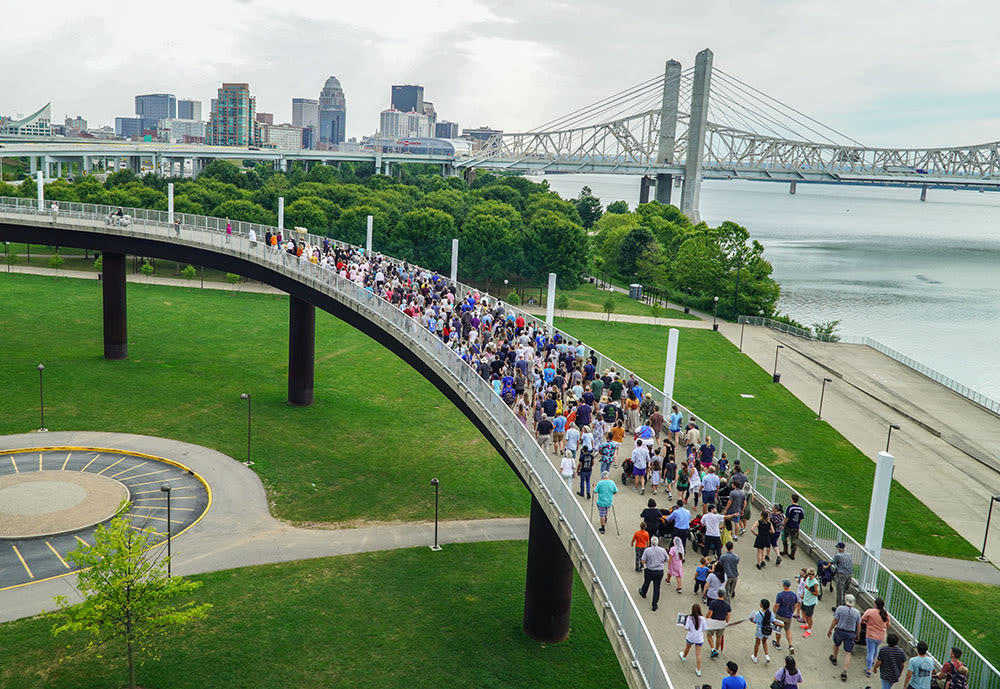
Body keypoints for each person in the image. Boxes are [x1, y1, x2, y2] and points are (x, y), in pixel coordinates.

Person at [828, 592, 861, 682]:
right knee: (848, 652)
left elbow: (835, 621)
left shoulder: (840, 609)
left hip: (840, 630)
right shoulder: (857, 612)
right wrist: (858, 635)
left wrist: (830, 629)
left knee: (836, 644)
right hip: (850, 633)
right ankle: (845, 671)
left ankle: (834, 658)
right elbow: (858, 625)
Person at [861, 598, 892, 678]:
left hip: (871, 635)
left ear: (875, 604)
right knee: (875, 648)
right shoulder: (885, 614)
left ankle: (868, 670)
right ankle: (871, 662)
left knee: (870, 651)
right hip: (881, 636)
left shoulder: (870, 611)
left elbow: (863, 619)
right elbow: (888, 625)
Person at [638, 535, 667, 610]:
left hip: (650, 569)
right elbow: (666, 560)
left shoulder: (647, 550)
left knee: (646, 582)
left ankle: (643, 592)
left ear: (651, 542)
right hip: (659, 571)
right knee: (656, 587)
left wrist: (646, 563)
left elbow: (643, 560)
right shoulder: (663, 550)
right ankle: (654, 604)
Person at [679, 603, 706, 677]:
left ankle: (684, 656)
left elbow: (686, 628)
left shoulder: (689, 618)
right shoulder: (702, 619)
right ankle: (698, 670)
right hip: (699, 638)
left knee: (687, 648)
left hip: (691, 637)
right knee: (698, 654)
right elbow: (704, 628)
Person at [773, 578, 798, 654]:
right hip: (788, 616)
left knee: (778, 630)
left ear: (784, 585)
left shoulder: (780, 595)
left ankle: (778, 643)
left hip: (780, 615)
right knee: (787, 630)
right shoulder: (794, 595)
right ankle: (790, 645)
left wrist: (773, 613)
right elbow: (795, 605)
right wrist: (792, 612)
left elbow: (776, 605)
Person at [706, 588, 731, 658]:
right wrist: (726, 622)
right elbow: (728, 616)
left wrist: (706, 619)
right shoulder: (727, 605)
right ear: (724, 595)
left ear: (718, 594)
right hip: (722, 622)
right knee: (719, 636)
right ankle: (717, 650)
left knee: (709, 635)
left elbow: (709, 614)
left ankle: (713, 649)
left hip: (713, 621)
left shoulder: (713, 603)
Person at [750, 598, 774, 664]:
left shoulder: (758, 613)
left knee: (757, 643)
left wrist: (751, 619)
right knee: (764, 642)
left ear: (762, 605)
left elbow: (755, 621)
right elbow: (773, 620)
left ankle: (755, 657)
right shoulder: (771, 613)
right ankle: (767, 656)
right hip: (767, 629)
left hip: (760, 629)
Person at [782, 493, 805, 560]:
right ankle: (792, 554)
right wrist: (797, 524)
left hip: (788, 526)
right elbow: (801, 519)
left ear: (792, 499)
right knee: (794, 541)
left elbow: (787, 517)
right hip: (796, 527)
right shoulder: (801, 509)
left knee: (784, 537)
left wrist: (783, 524)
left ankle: (785, 550)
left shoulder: (790, 507)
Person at [832, 542, 853, 609]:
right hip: (849, 574)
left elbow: (832, 562)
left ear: (839, 548)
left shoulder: (838, 556)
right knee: (845, 591)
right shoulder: (849, 555)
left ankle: (839, 607)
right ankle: (845, 604)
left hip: (841, 574)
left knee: (840, 591)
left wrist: (826, 566)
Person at [799, 567, 819, 638]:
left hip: (811, 601)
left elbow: (816, 594)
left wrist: (809, 589)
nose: (811, 575)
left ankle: (809, 630)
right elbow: (805, 587)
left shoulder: (815, 583)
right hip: (805, 599)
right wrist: (803, 594)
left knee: (809, 616)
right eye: (809, 574)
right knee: (803, 611)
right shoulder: (807, 579)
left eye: (812, 574)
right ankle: (807, 624)